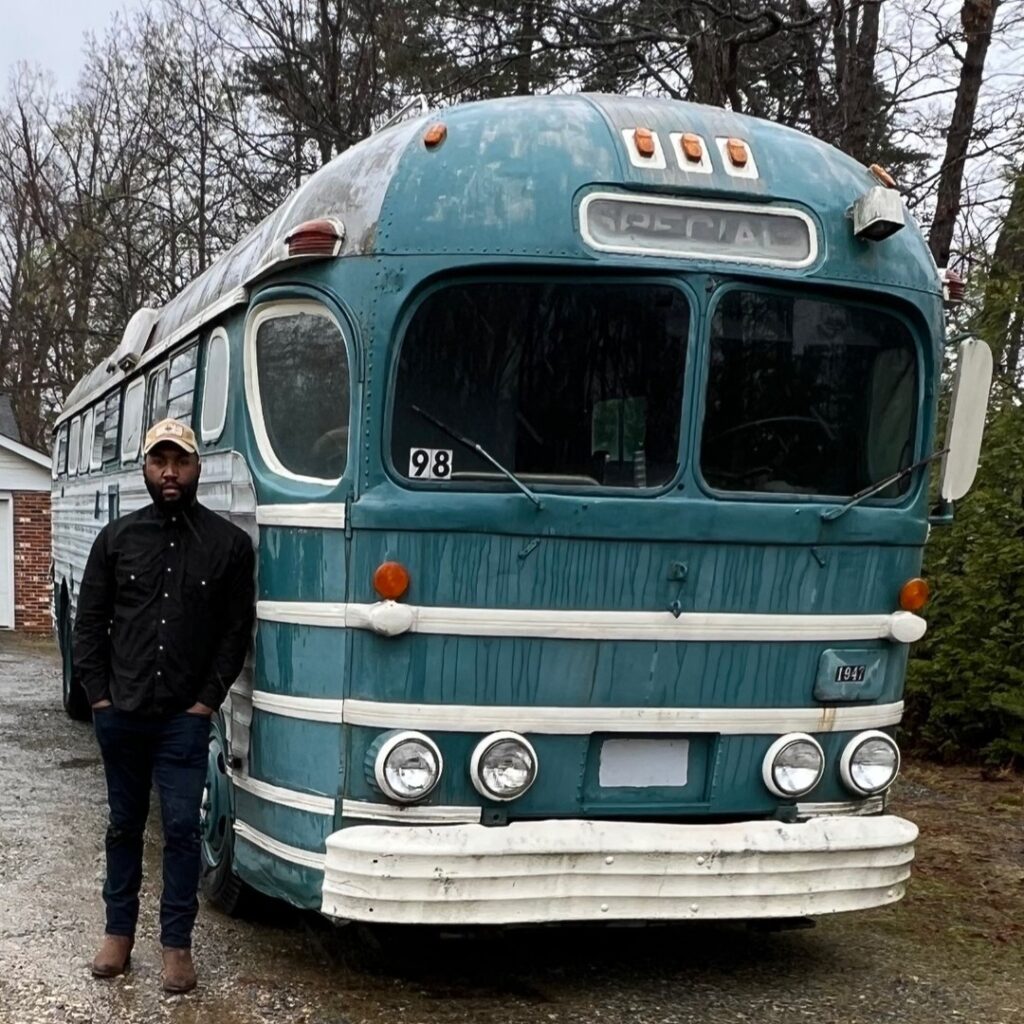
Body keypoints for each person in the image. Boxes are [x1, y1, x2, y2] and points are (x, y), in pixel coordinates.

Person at [73, 417, 255, 994]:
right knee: (124, 826)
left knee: (180, 829)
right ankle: (117, 936)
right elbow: (90, 625)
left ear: (198, 467)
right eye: (159, 461)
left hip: (183, 719)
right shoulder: (117, 540)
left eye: (180, 462)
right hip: (121, 713)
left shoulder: (229, 547)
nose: (169, 473)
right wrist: (99, 699)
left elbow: (235, 634)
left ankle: (176, 944)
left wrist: (206, 702)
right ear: (145, 469)